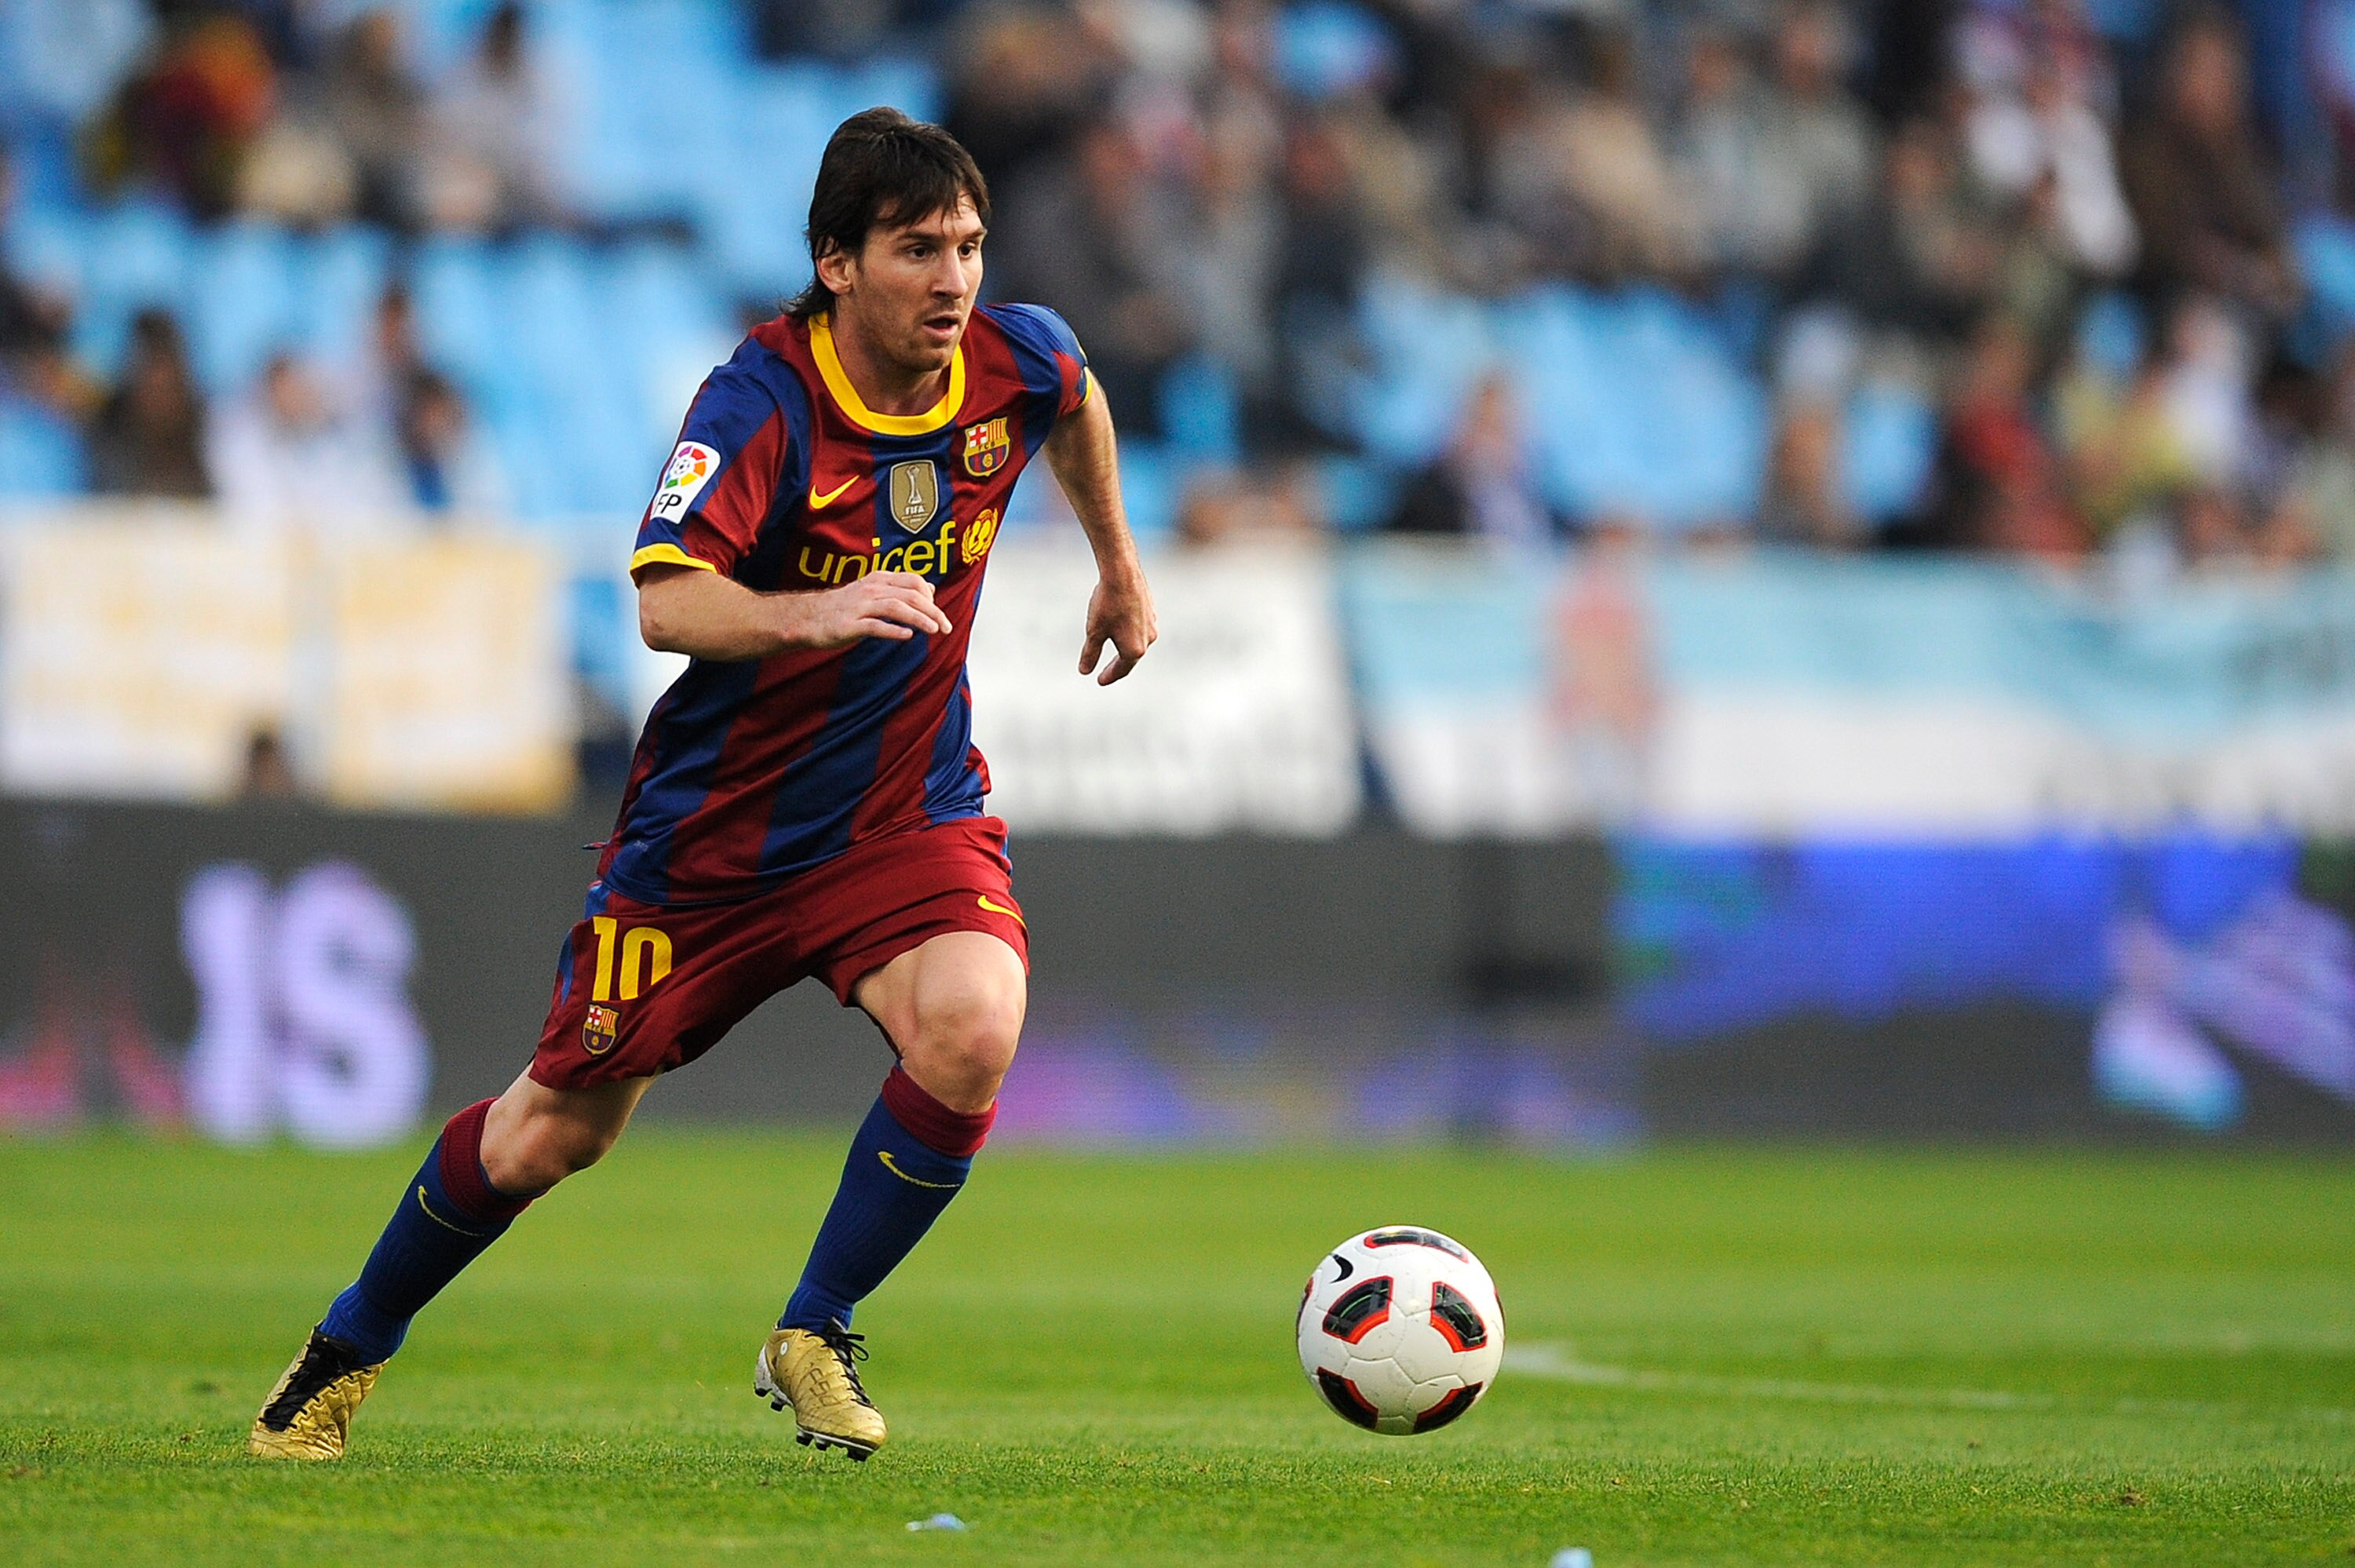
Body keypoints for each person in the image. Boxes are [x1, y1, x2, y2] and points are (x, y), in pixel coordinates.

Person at [247, 108, 1158, 1465]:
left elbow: (1073, 394)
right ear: (837, 262)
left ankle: (814, 1328)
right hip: (714, 840)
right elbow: (669, 605)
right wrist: (815, 612)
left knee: (974, 1024)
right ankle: (341, 1352)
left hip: (901, 811)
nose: (955, 278)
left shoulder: (1011, 355)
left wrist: (1119, 569)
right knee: (549, 1134)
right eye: (919, 249)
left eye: (968, 245)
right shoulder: (764, 401)